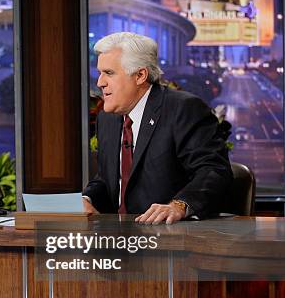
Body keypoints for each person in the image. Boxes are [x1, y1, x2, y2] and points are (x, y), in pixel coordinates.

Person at [82, 32, 233, 224]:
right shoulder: (107, 119)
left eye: (109, 73)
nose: (100, 82)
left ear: (140, 75)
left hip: (171, 240)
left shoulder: (183, 109)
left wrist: (178, 206)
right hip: (118, 239)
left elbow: (213, 170)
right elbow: (107, 180)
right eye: (100, 73)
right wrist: (88, 199)